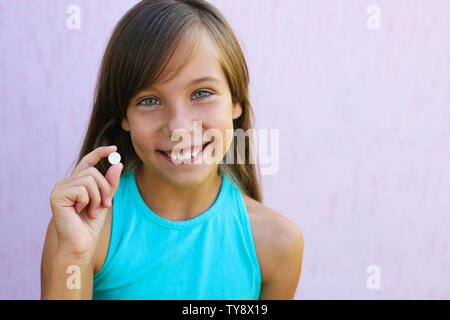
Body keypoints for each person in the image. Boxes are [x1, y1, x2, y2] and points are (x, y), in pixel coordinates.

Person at [41, 0, 304, 300]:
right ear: (123, 117)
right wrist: (73, 256)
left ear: (236, 102)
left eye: (201, 93)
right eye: (150, 100)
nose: (179, 127)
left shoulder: (277, 244)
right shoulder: (84, 229)